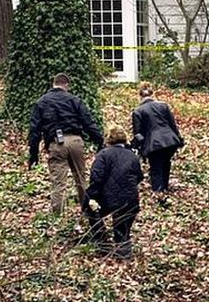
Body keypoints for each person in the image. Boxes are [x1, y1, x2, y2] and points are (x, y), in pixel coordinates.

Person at [27, 73, 105, 222]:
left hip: (56, 143)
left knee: (58, 182)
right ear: (66, 85)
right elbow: (88, 122)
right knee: (81, 179)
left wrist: (33, 153)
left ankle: (58, 219)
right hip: (76, 141)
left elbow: (34, 130)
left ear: (53, 84)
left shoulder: (42, 102)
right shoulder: (74, 100)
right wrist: (99, 141)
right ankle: (88, 212)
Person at [85, 127, 144, 259]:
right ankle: (123, 252)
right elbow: (139, 176)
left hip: (109, 197)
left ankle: (102, 243)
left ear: (109, 139)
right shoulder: (132, 156)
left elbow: (96, 177)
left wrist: (92, 197)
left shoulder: (103, 154)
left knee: (91, 211)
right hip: (130, 199)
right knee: (123, 228)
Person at [131, 83, 184, 193]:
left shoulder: (138, 111)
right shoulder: (163, 106)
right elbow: (172, 124)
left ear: (139, 95)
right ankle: (165, 187)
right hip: (170, 140)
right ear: (152, 93)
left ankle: (158, 191)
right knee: (166, 162)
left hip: (153, 143)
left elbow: (138, 134)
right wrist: (178, 138)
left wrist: (137, 148)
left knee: (156, 167)